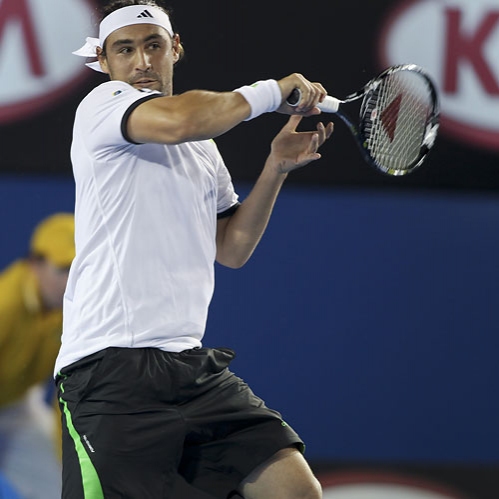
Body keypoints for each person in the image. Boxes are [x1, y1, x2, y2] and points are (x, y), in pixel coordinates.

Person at [55, 1, 334, 498]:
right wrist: (271, 92)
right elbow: (185, 119)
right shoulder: (103, 105)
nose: (142, 61)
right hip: (109, 372)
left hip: (190, 367)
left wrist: (274, 168)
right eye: (125, 50)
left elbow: (231, 247)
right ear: (104, 60)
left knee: (295, 490)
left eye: (153, 45)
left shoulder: (204, 148)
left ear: (175, 49)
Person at [0, 212, 75, 499]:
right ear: (35, 264)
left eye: (77, 270)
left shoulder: (74, 310)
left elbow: (65, 398)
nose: (70, 282)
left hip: (16, 406)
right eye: (63, 269)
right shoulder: (5, 305)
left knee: (62, 485)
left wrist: (69, 462)